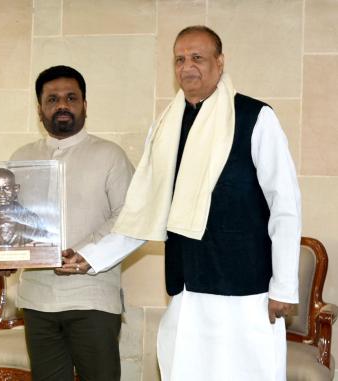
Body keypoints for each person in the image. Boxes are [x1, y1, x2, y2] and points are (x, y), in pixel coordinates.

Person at [81, 26, 301, 380]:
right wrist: (90, 257)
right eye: (179, 59)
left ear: (220, 62)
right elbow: (147, 211)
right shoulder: (166, 127)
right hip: (188, 288)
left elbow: (285, 207)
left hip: (246, 292)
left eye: (197, 57)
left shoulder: (255, 117)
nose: (187, 67)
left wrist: (285, 287)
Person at [10, 65, 141, 381]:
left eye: (71, 97)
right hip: (37, 299)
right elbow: (8, 220)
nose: (62, 105)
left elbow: (132, 216)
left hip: (92, 297)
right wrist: (0, 253)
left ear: (84, 104)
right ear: (40, 108)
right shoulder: (21, 158)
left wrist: (87, 255)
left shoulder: (110, 155)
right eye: (52, 99)